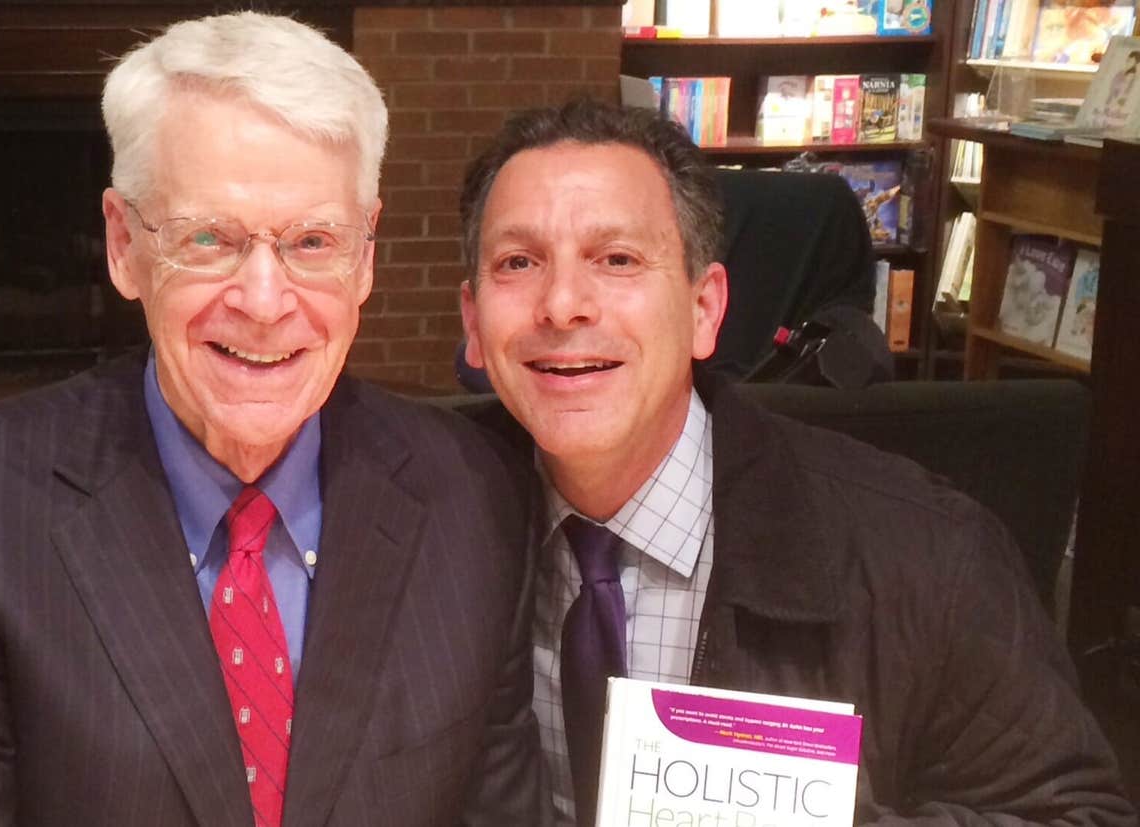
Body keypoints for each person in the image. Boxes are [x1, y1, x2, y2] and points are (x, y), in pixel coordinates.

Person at [0, 13, 546, 827]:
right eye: (209, 238)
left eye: (313, 240)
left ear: (366, 257)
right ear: (123, 245)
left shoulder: (476, 499)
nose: (262, 300)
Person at [457, 99, 1137, 826]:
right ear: (472, 321)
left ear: (704, 309)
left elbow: (1076, 812)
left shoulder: (926, 554)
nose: (562, 304)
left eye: (617, 259)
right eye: (518, 262)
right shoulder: (429, 536)